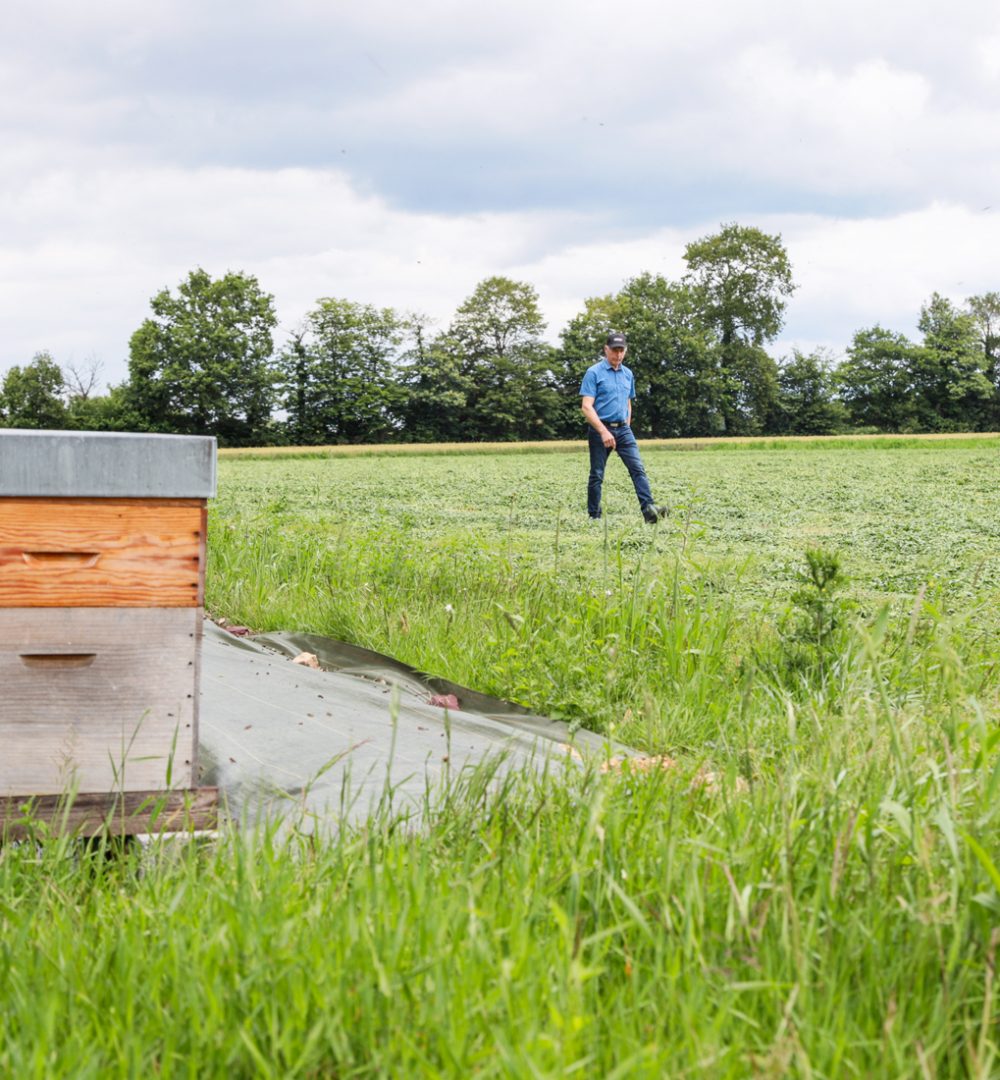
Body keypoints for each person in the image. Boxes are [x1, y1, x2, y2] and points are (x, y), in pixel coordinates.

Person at [579, 330, 668, 523]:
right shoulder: (594, 373)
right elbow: (586, 407)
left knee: (638, 469)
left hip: (623, 430)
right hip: (600, 429)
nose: (618, 354)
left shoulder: (628, 374)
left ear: (625, 351)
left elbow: (628, 401)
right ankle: (594, 516)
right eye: (614, 350)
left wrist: (626, 425)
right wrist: (603, 431)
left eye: (621, 350)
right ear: (606, 349)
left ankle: (649, 511)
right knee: (597, 475)